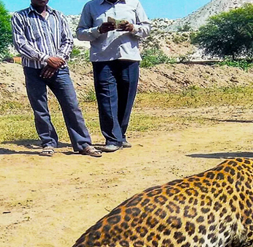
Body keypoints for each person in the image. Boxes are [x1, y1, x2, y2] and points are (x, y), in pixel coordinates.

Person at [11, 0, 102, 158]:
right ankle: (48, 142)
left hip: (59, 69)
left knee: (71, 105)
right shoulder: (20, 17)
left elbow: (67, 41)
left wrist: (56, 61)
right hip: (33, 69)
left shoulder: (58, 16)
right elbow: (20, 43)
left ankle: (83, 143)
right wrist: (46, 59)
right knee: (40, 108)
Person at [76, 0, 151, 152]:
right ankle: (112, 138)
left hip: (129, 57)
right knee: (106, 99)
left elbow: (147, 29)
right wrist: (98, 30)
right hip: (102, 59)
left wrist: (132, 28)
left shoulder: (134, 3)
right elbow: (80, 33)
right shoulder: (91, 6)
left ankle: (120, 135)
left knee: (126, 97)